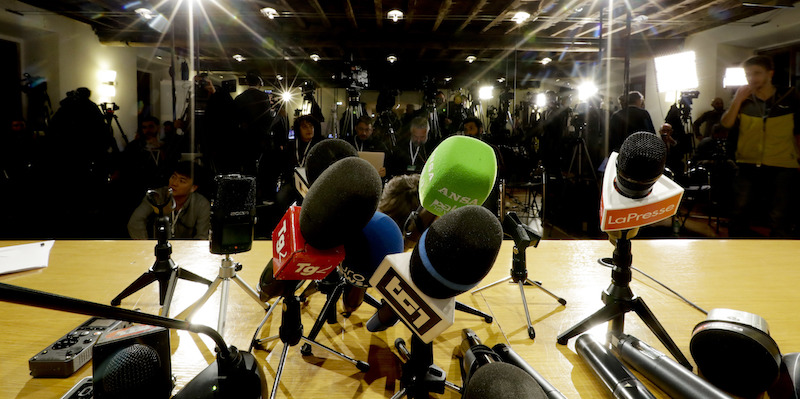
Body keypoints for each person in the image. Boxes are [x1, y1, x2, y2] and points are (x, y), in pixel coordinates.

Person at [720, 55, 800, 237]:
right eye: (748, 74)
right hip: (748, 163)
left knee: (780, 216)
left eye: (757, 73)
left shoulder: (789, 96)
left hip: (782, 164)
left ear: (770, 74)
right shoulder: (743, 100)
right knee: (739, 212)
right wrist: (737, 100)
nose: (752, 78)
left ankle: (779, 259)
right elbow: (726, 124)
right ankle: (736, 255)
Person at [127, 161, 210, 239]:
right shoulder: (156, 196)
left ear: (193, 188)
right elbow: (135, 222)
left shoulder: (201, 204)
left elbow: (202, 236)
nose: (174, 183)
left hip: (187, 250)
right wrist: (145, 245)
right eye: (173, 177)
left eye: (182, 181)